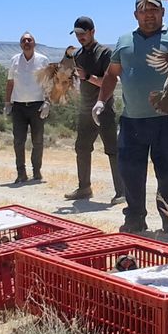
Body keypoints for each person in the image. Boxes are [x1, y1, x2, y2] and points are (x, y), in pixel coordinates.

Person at [95, 0, 168, 236]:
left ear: (163, 13)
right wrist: (101, 100)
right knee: (130, 173)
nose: (149, 14)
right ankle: (135, 218)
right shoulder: (124, 41)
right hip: (133, 119)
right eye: (143, 11)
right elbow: (112, 74)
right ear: (136, 15)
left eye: (154, 9)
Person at [65, 16, 125, 204]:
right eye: (77, 34)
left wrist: (87, 76)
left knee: (112, 150)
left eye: (83, 34)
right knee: (81, 148)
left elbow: (109, 82)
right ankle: (84, 188)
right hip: (85, 110)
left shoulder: (105, 53)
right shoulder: (78, 55)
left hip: (103, 109)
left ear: (93, 32)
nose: (80, 37)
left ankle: (121, 192)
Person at [5, 32, 50, 184]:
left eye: (29, 40)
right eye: (24, 40)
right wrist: (7, 103)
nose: (27, 42)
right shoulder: (14, 61)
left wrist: (47, 102)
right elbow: (10, 83)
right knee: (18, 141)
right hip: (18, 106)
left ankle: (36, 172)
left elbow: (48, 83)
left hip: (37, 106)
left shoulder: (43, 60)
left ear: (34, 43)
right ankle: (21, 173)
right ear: (20, 44)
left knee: (37, 141)